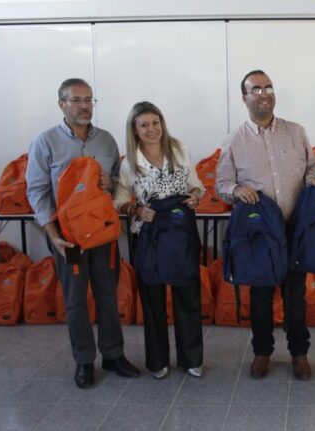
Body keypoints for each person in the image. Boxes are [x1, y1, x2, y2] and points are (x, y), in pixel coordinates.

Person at [26, 78, 139, 389]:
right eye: (76, 100)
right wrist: (53, 235)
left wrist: (109, 184)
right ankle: (84, 361)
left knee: (108, 295)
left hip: (103, 234)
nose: (84, 106)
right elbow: (37, 193)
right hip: (68, 238)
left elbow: (119, 184)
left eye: (89, 100)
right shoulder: (44, 142)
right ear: (61, 104)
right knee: (76, 300)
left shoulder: (106, 141)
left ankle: (114, 355)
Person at [216, 70, 315, 381]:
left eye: (269, 87)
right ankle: (262, 352)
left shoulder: (296, 132)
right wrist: (235, 190)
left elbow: (313, 168)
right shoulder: (234, 140)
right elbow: (221, 183)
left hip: (294, 229)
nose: (265, 94)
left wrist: (313, 180)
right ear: (244, 98)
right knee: (261, 298)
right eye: (257, 89)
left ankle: (299, 353)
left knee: (295, 297)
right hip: (260, 235)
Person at [113, 101, 205, 380]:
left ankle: (192, 359)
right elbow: (118, 201)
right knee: (152, 301)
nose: (151, 129)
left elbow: (196, 184)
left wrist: (196, 195)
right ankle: (157, 361)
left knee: (187, 296)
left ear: (162, 124)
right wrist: (135, 209)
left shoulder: (180, 150)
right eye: (144, 125)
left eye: (155, 122)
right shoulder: (129, 163)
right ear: (135, 130)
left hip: (180, 233)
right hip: (147, 236)